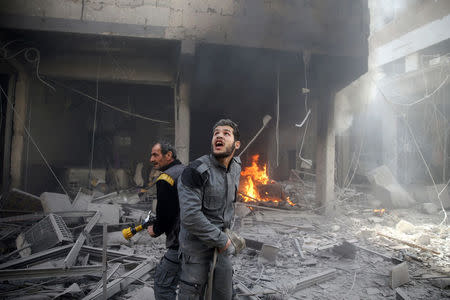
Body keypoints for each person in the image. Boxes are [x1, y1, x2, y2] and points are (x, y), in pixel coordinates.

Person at [177, 119, 242, 300]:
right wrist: (222, 240)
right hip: (196, 250)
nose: (219, 135)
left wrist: (228, 236)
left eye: (226, 133)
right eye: (216, 133)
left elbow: (229, 205)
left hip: (221, 246)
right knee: (192, 294)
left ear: (237, 144)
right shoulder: (195, 171)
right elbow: (190, 217)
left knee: (223, 294)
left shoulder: (236, 166)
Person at [147, 141, 185, 300]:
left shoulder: (166, 178)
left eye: (155, 154)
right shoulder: (187, 170)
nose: (151, 159)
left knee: (162, 285)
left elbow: (165, 216)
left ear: (168, 155)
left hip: (180, 245)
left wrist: (154, 229)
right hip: (199, 242)